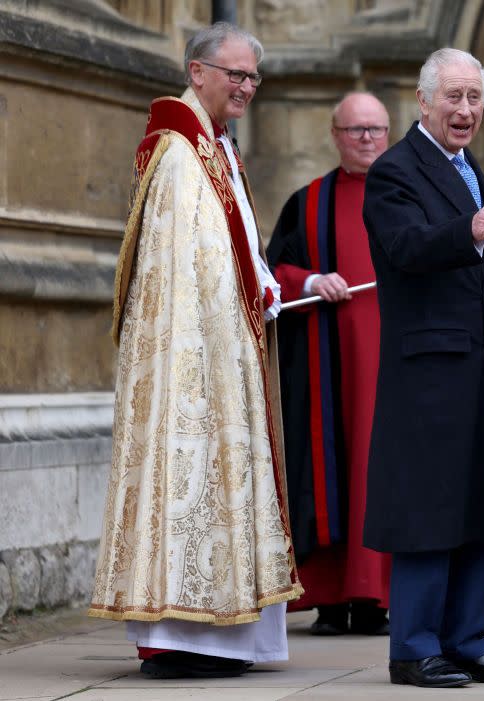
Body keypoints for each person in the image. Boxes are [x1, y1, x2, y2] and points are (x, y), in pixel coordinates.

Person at [89, 22, 302, 679]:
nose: (244, 87)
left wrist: (264, 286)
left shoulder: (216, 145)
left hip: (227, 348)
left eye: (252, 78)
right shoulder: (181, 153)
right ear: (198, 70)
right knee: (186, 482)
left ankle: (223, 636)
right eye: (233, 74)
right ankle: (183, 637)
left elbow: (233, 244)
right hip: (193, 361)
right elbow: (189, 265)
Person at [361, 47, 484, 689]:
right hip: (429, 374)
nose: (465, 111)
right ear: (424, 100)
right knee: (429, 510)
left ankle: (469, 640)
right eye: (454, 97)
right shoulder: (394, 171)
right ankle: (412, 647)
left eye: (474, 99)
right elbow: (406, 247)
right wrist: (468, 228)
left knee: (480, 505)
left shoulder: (470, 168)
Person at [266, 92, 392, 637]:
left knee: (382, 474)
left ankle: (378, 599)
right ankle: (330, 600)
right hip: (324, 369)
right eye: (355, 130)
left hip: (393, 366)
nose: (366, 139)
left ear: (389, 134)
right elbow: (273, 271)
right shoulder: (308, 201)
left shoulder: (410, 198)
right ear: (335, 135)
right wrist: (312, 281)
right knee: (328, 471)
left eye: (376, 129)